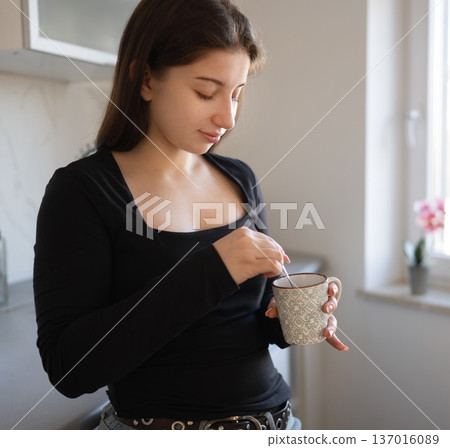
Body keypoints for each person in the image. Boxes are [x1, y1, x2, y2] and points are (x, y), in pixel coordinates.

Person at [33, 0, 348, 431]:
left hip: (279, 425)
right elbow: (68, 368)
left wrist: (296, 317)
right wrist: (212, 268)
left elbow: (251, 325)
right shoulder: (83, 190)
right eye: (206, 92)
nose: (228, 116)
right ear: (145, 79)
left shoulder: (240, 178)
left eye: (237, 94)